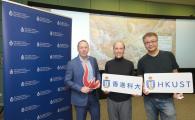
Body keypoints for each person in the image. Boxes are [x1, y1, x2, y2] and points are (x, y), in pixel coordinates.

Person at [137, 32, 184, 120]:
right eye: (147, 42)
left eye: (153, 41)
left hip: (167, 98)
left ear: (157, 41)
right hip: (149, 99)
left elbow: (175, 72)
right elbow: (140, 78)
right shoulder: (141, 61)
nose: (150, 44)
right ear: (144, 44)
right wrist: (142, 87)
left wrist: (176, 90)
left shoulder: (169, 55)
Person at [64, 40, 101, 120]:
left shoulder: (93, 60)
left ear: (88, 49)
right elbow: (67, 81)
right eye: (81, 48)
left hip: (94, 97)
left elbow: (97, 73)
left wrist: (99, 80)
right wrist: (80, 88)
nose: (84, 49)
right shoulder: (71, 63)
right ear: (78, 49)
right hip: (79, 98)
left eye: (85, 47)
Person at [104, 41, 134, 120]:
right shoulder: (108, 64)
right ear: (113, 50)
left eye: (121, 48)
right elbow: (105, 81)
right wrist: (105, 89)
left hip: (126, 100)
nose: (118, 51)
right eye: (116, 48)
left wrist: (135, 91)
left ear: (124, 50)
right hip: (111, 99)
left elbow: (133, 82)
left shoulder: (130, 64)